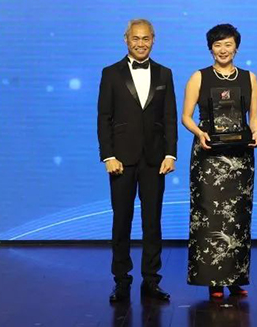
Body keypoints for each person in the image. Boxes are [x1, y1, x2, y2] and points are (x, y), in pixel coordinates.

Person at [97, 19, 178, 303]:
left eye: (145, 38)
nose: (140, 43)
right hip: (120, 160)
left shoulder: (165, 73)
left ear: (153, 40)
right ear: (126, 39)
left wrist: (170, 154)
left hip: (155, 160)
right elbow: (104, 117)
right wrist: (108, 155)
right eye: (135, 38)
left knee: (152, 222)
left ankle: (151, 281)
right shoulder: (110, 73)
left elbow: (169, 117)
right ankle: (121, 281)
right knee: (121, 222)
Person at [182, 24, 257, 299]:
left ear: (236, 47)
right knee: (208, 218)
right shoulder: (198, 77)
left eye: (228, 44)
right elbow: (186, 116)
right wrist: (199, 132)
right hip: (208, 157)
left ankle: (236, 278)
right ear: (210, 49)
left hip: (240, 157)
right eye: (217, 45)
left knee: (238, 217)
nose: (223, 50)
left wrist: (256, 132)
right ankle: (213, 280)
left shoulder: (250, 78)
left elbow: (254, 116)